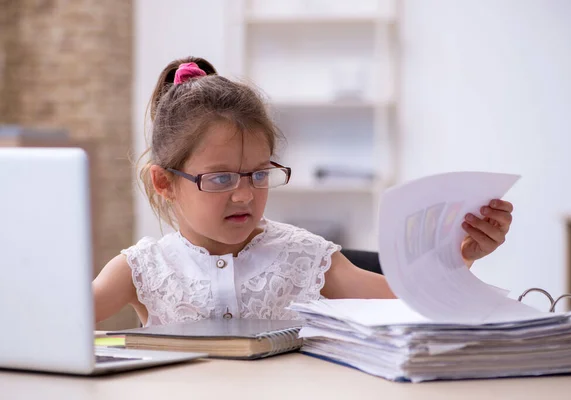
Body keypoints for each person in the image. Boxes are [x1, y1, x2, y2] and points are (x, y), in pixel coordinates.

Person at [93, 57, 514, 326]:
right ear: (164, 183)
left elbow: (412, 300)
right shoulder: (141, 268)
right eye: (220, 178)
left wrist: (461, 255)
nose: (244, 195)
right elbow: (53, 326)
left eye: (258, 174)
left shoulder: (306, 258)